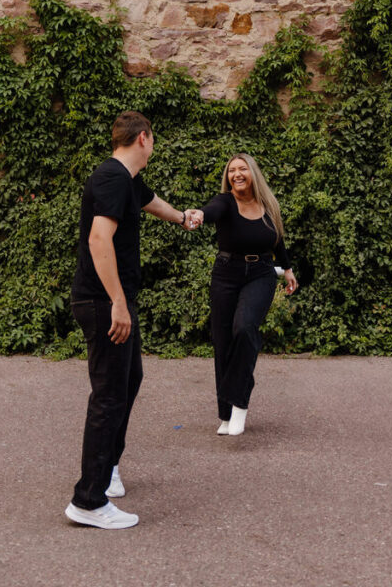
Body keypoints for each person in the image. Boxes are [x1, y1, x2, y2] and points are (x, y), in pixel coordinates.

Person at [65, 110, 198, 530]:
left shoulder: (125, 179)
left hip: (110, 301)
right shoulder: (110, 178)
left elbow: (148, 200)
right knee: (108, 397)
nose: (153, 146)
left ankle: (108, 471)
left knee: (128, 381)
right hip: (103, 303)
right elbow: (98, 239)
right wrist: (117, 302)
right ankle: (88, 501)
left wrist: (182, 217)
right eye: (153, 140)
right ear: (144, 138)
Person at [188, 153, 298, 436]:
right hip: (225, 274)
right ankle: (225, 416)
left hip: (261, 273)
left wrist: (287, 269)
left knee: (245, 327)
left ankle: (239, 404)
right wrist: (199, 214)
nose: (236, 174)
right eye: (232, 170)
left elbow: (277, 239)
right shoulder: (225, 202)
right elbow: (210, 209)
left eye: (242, 169)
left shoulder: (267, 205)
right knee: (223, 342)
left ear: (253, 174)